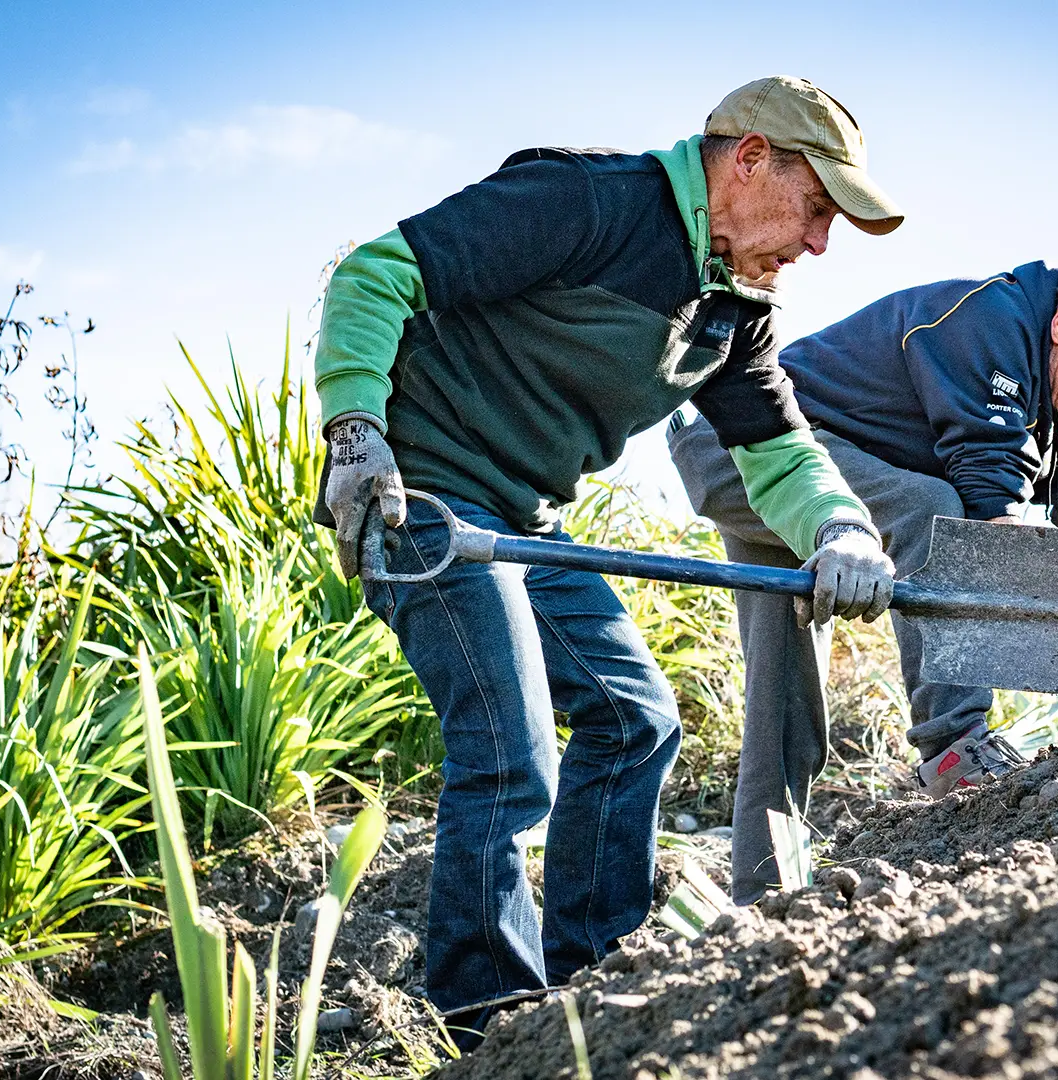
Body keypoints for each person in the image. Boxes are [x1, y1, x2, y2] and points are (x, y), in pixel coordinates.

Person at [310, 76, 906, 1042]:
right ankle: (488, 1021)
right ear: (749, 159)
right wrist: (354, 434)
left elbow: (778, 451)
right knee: (509, 747)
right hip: (417, 495)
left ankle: (594, 984)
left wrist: (841, 530)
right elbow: (377, 273)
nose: (818, 243)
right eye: (815, 209)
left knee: (635, 716)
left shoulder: (735, 308)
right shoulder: (586, 201)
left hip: (523, 522)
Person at [669, 252, 1058, 904]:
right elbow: (989, 536)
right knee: (930, 507)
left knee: (786, 716)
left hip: (815, 486)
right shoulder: (991, 326)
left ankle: (765, 903)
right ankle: (956, 746)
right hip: (740, 452)